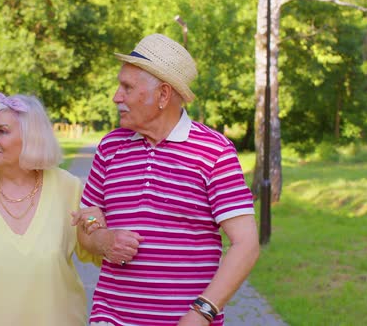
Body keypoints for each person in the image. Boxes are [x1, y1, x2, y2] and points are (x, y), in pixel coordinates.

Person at [72, 34, 260, 326]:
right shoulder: (110, 147)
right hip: (111, 318)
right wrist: (102, 239)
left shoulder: (214, 152)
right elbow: (87, 227)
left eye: (127, 87)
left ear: (163, 95)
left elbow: (246, 245)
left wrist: (202, 313)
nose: (116, 97)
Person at [0, 92, 103, 325]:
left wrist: (97, 224)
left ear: (31, 137)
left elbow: (98, 251)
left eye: (2, 131)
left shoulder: (68, 187)